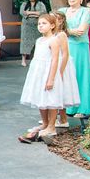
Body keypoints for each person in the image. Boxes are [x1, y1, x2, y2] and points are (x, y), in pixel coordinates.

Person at [19, 14, 63, 144]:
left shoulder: (54, 40)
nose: (40, 26)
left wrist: (51, 79)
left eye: (44, 23)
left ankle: (52, 125)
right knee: (40, 98)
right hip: (39, 73)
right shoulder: (39, 41)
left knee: (51, 98)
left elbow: (55, 60)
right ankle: (44, 123)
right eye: (39, 24)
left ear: (52, 25)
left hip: (49, 73)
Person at [58, 0, 90, 117]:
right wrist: (70, 31)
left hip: (80, 47)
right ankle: (68, 108)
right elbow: (56, 29)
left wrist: (66, 31)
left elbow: (81, 31)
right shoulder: (62, 11)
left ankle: (83, 108)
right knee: (66, 76)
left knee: (80, 75)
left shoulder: (86, 11)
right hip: (64, 46)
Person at [19, 0, 47, 66]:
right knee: (25, 43)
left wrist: (30, 13)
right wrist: (36, 13)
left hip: (38, 26)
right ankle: (23, 60)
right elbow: (22, 12)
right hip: (26, 27)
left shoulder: (40, 4)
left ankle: (37, 60)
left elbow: (43, 12)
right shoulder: (24, 4)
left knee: (39, 42)